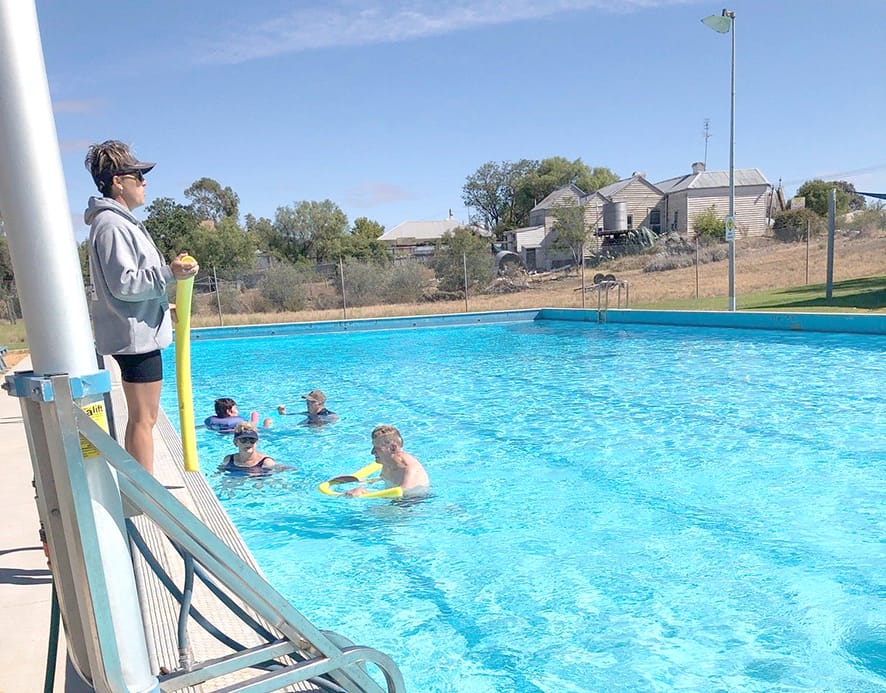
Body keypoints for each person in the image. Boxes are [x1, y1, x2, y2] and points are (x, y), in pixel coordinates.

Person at [84, 140, 199, 476]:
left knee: (142, 419)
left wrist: (164, 300)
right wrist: (169, 274)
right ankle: (145, 497)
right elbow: (125, 283)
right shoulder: (112, 225)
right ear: (118, 181)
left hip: (139, 333)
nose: (145, 182)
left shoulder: (118, 223)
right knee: (143, 420)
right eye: (138, 176)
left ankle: (142, 492)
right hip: (136, 339)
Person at [345, 425, 429, 498]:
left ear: (393, 448)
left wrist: (364, 492)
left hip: (413, 504)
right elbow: (385, 480)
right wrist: (362, 482)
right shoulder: (388, 462)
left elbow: (402, 495)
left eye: (377, 448)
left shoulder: (410, 470)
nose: (372, 452)